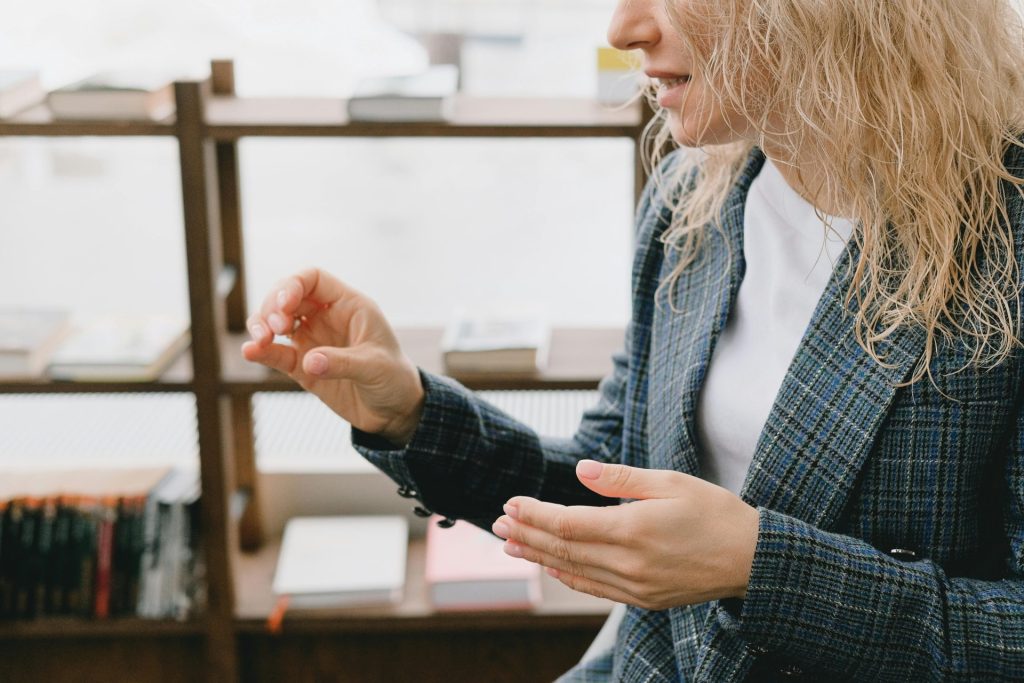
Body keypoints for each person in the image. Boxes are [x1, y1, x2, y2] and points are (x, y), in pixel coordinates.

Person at [242, 0, 1024, 679]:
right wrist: (407, 409)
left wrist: (759, 566)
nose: (623, 28)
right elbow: (604, 483)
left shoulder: (1006, 238)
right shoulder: (696, 202)